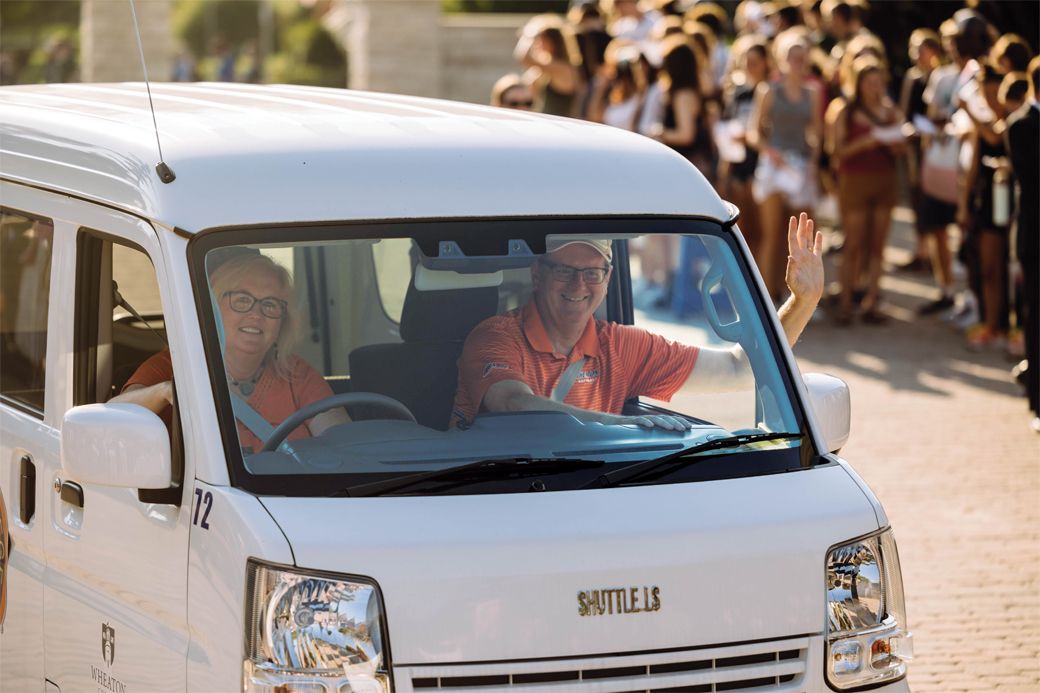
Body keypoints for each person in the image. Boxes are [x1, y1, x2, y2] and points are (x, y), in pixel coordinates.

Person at [450, 213, 824, 430]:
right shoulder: (496, 336)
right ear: (537, 275)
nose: (579, 284)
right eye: (564, 270)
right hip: (492, 498)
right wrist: (626, 427)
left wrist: (802, 301)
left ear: (609, 279)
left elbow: (738, 370)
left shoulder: (622, 346)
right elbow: (512, 404)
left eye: (593, 272)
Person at [112, 253, 349, 452]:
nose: (257, 314)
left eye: (270, 304)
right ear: (213, 306)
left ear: (283, 321)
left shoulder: (296, 374)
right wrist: (165, 391)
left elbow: (344, 442)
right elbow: (115, 414)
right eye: (242, 300)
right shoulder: (173, 366)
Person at [748, 28, 823, 300]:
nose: (798, 62)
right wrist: (770, 151)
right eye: (793, 56)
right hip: (774, 166)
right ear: (783, 59)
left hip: (800, 167)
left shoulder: (813, 92)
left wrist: (813, 161)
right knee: (772, 234)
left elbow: (816, 132)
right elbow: (753, 132)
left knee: (801, 239)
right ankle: (767, 295)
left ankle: (800, 296)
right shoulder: (768, 90)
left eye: (802, 57)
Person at [830, 56, 905, 324]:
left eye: (878, 82)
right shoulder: (844, 111)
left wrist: (896, 143)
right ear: (858, 84)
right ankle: (846, 302)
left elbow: (902, 148)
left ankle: (872, 300)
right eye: (869, 83)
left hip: (884, 181)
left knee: (877, 246)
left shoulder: (891, 111)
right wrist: (867, 142)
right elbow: (837, 151)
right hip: (855, 182)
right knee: (854, 244)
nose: (875, 87)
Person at [1004, 56, 1039, 432]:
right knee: (1037, 318)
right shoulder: (1021, 124)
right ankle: (1038, 404)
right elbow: (1031, 177)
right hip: (1036, 237)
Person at [515, 15, 584, 117]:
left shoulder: (562, 68)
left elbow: (523, 57)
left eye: (541, 39)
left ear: (553, 42)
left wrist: (529, 34)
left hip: (561, 125)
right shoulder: (548, 67)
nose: (538, 43)